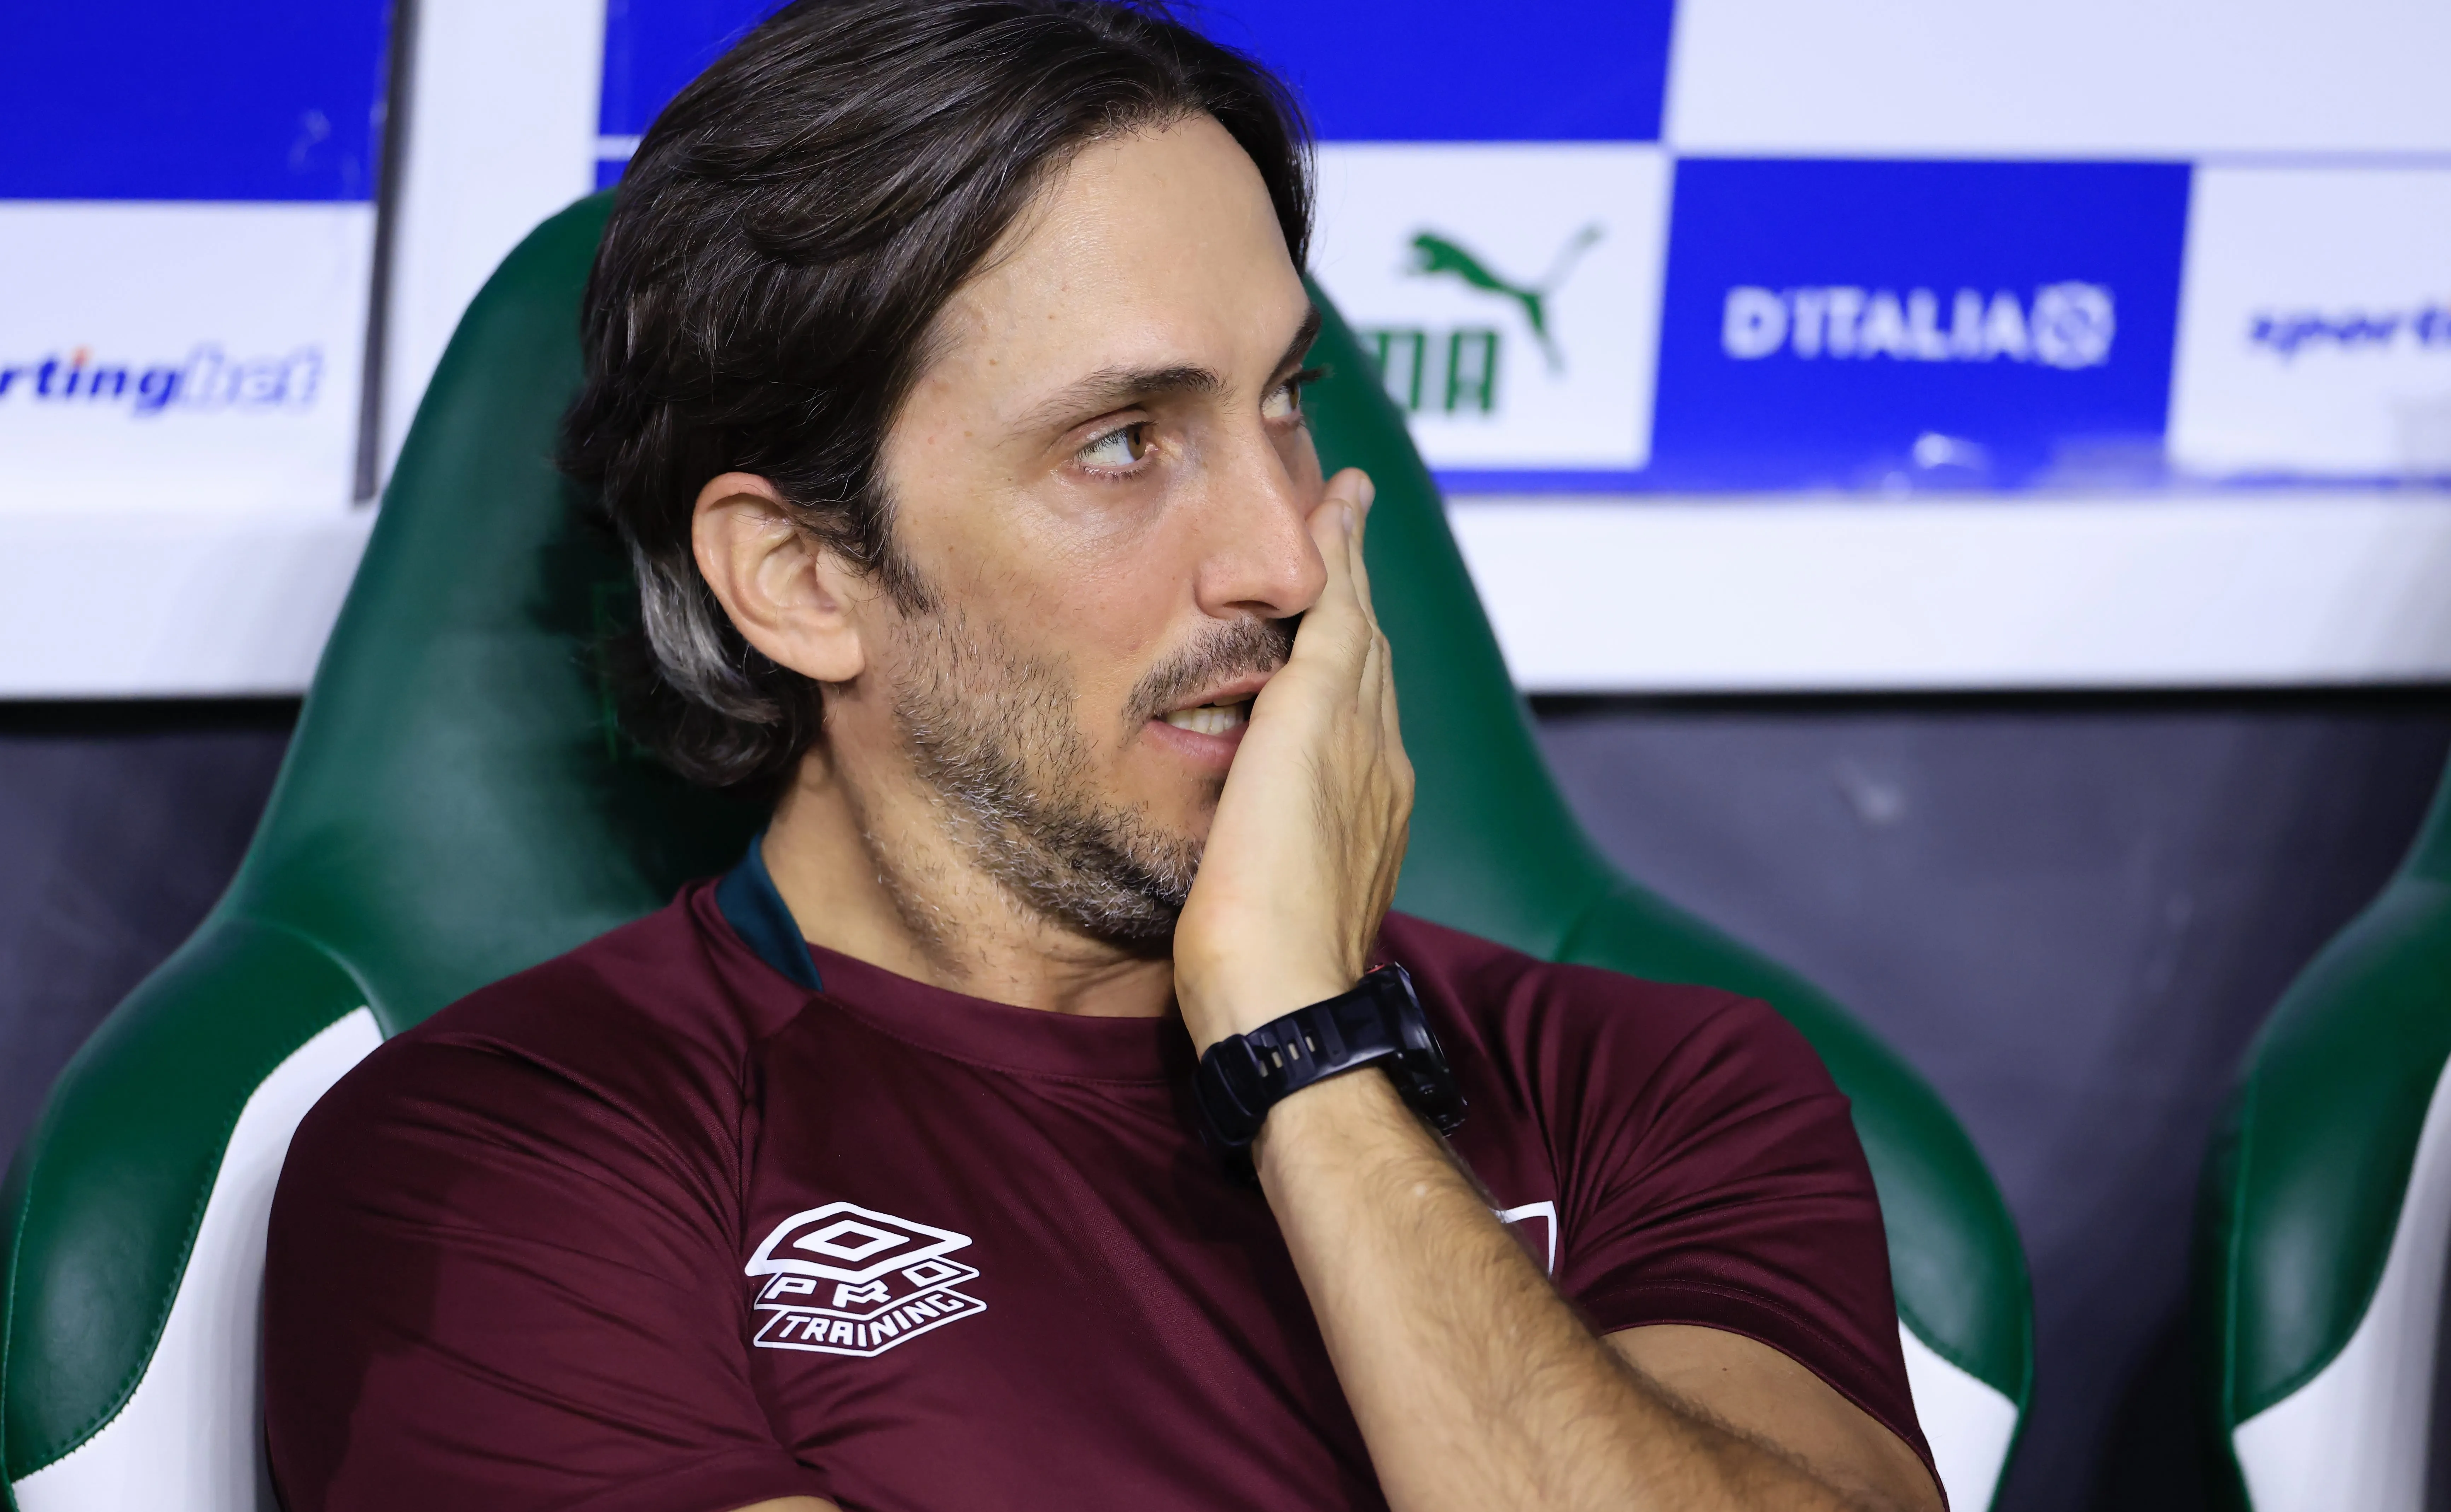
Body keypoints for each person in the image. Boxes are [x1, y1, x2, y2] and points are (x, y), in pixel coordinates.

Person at [262, 2, 1946, 1508]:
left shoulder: (1640, 1083)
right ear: (801, 578)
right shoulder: (499, 1166)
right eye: (1125, 445)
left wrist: (1309, 1055)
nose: (1285, 558)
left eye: (1284, 401)